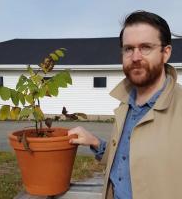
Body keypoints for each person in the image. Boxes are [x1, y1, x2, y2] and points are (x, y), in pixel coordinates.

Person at [68, 10, 182, 199]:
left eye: (146, 47)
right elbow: (127, 162)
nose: (135, 57)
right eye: (128, 49)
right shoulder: (125, 104)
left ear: (166, 52)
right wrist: (96, 143)